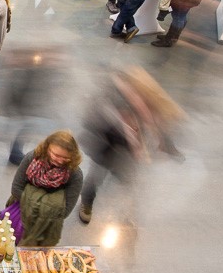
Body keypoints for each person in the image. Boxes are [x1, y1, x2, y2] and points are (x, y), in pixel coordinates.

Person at [78, 67, 182, 223]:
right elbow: (92, 121)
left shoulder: (140, 102)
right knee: (96, 178)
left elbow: (157, 120)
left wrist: (168, 146)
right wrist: (121, 129)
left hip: (128, 153)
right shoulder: (106, 99)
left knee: (130, 181)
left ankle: (127, 215)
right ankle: (86, 203)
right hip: (105, 147)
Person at [12, 131, 84, 246]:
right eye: (56, 155)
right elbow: (16, 188)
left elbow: (65, 211)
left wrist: (32, 199)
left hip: (46, 225)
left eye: (65, 157)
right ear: (46, 148)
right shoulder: (32, 158)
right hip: (21, 210)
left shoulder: (75, 174)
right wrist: (46, 205)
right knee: (10, 242)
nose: (60, 161)